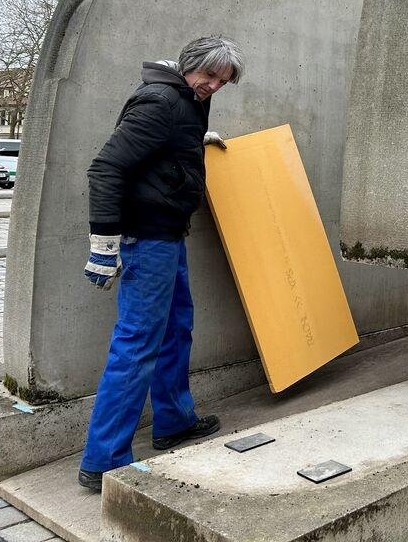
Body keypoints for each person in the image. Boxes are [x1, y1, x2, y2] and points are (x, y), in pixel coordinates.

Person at [78, 36, 244, 491]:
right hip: (146, 237)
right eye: (209, 76)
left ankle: (173, 421)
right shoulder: (161, 102)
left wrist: (191, 142)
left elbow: (160, 148)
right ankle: (104, 460)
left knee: (176, 328)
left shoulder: (187, 99)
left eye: (223, 81)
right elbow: (106, 168)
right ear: (189, 66)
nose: (214, 86)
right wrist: (104, 242)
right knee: (137, 343)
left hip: (168, 234)